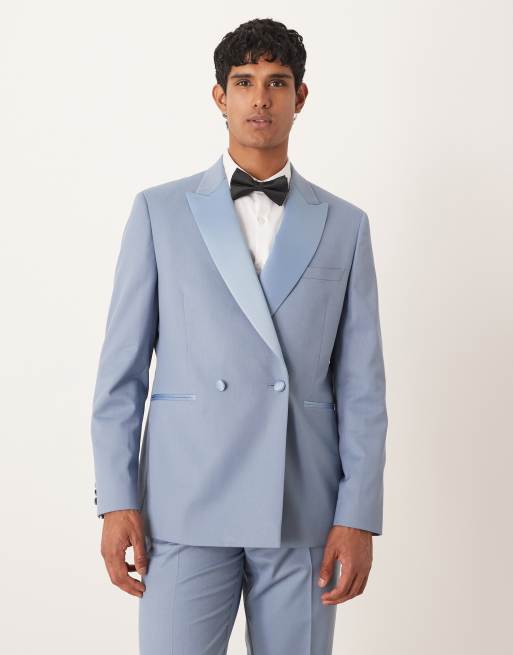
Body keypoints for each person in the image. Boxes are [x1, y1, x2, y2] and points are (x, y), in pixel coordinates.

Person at [90, 17, 388, 655]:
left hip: (302, 505)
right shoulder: (159, 211)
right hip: (183, 502)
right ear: (219, 96)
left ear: (300, 97)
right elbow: (121, 374)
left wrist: (358, 513)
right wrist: (116, 498)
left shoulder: (346, 225)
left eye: (277, 83)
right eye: (244, 81)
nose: (260, 98)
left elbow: (362, 387)